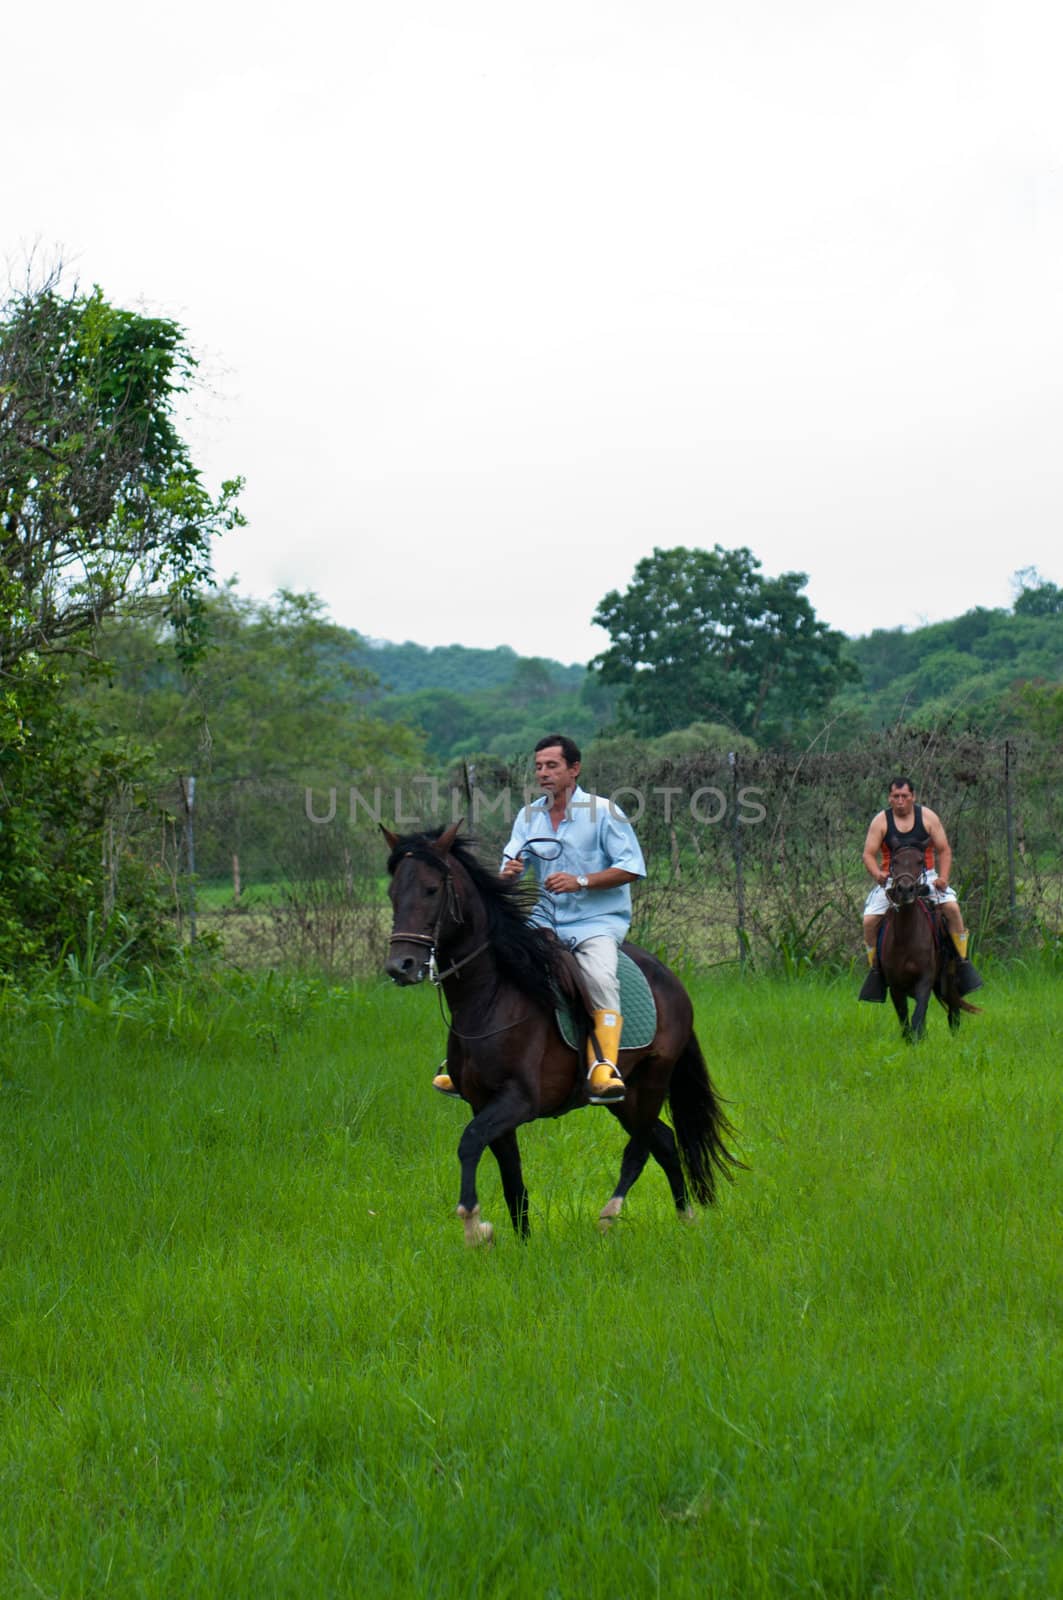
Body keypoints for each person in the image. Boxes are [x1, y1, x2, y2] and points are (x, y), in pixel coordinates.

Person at [432, 734, 646, 1104]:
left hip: (596, 922)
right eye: (538, 767)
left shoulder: (604, 813)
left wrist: (580, 881)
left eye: (552, 766)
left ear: (574, 770)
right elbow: (507, 870)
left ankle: (605, 1066)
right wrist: (510, 873)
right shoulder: (528, 816)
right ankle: (461, 1061)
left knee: (600, 976)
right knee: (490, 967)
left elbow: (631, 868)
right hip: (543, 920)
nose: (543, 774)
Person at [859, 776, 982, 1000]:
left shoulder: (927, 817)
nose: (900, 801)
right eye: (895, 797)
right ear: (890, 798)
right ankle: (876, 971)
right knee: (868, 921)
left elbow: (944, 849)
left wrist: (943, 877)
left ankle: (962, 963)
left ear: (912, 797)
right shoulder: (881, 821)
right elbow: (868, 853)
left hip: (926, 878)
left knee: (953, 909)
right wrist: (878, 874)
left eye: (904, 796)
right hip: (892, 881)